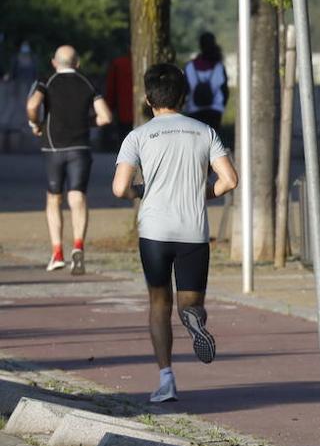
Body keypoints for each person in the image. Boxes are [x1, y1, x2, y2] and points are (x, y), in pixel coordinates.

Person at [112, 63, 238, 403]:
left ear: (148, 98)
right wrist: (203, 193)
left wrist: (140, 192)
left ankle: (166, 378)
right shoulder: (204, 132)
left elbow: (119, 187)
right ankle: (193, 320)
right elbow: (229, 180)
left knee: (158, 302)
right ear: (183, 97)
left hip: (154, 230)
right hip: (193, 231)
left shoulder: (138, 136)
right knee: (189, 303)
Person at [26, 45, 114, 274]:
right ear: (78, 64)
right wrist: (87, 124)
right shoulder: (87, 83)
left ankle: (57, 253)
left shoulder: (47, 81)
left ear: (55, 62)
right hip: (81, 147)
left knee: (54, 199)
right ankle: (78, 247)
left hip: (53, 148)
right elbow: (105, 117)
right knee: (77, 197)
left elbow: (32, 105)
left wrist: (37, 124)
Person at [184, 32, 228, 130]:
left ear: (200, 45)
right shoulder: (219, 66)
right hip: (215, 112)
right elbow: (225, 92)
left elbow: (185, 90)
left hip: (194, 110)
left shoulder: (190, 66)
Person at [102, 33, 135, 149]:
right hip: (145, 113)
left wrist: (109, 109)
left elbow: (111, 91)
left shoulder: (118, 64)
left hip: (124, 113)